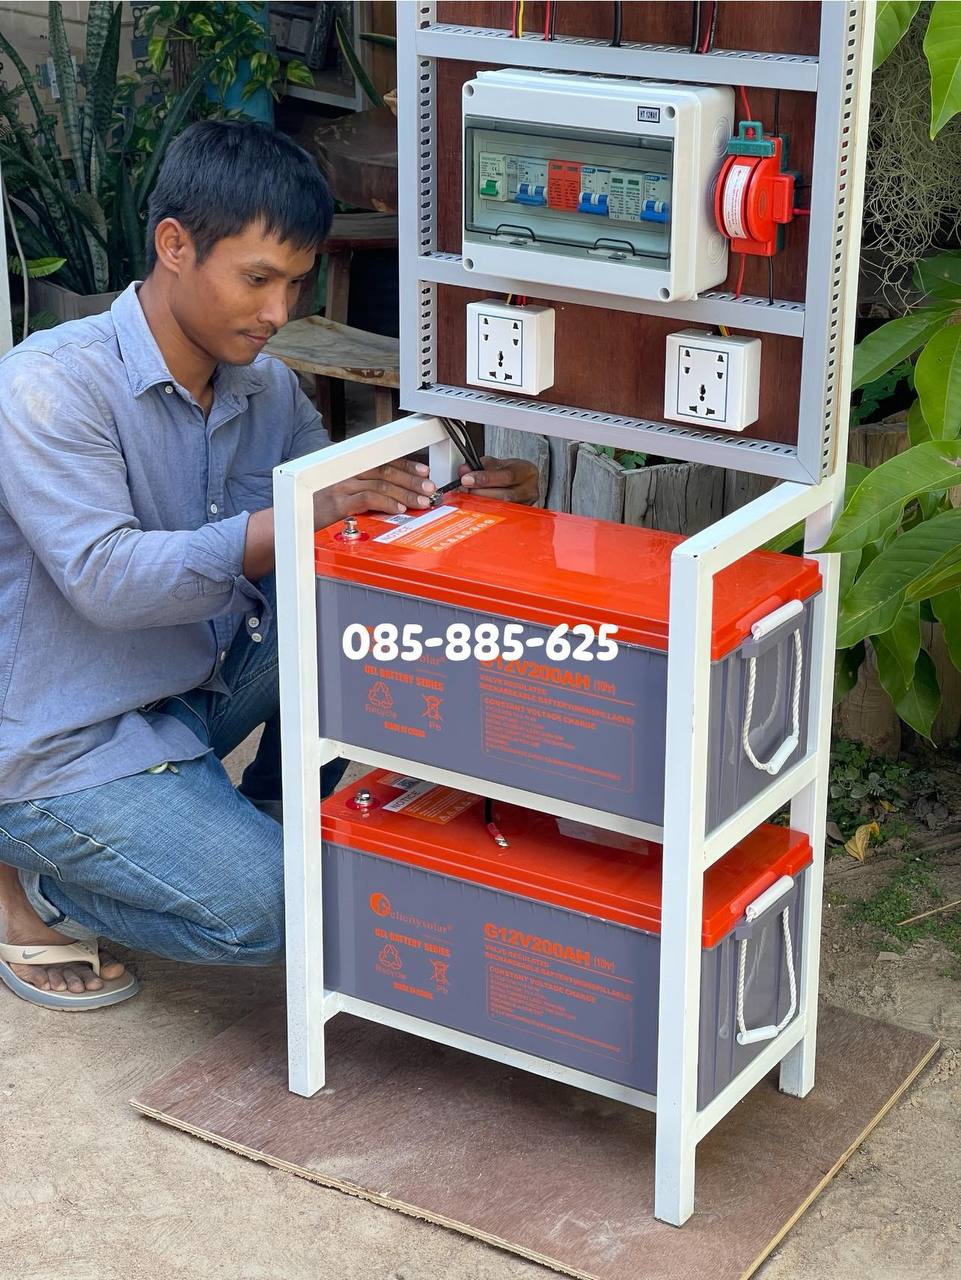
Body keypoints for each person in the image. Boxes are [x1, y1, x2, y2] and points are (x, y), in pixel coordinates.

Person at [0, 120, 538, 1009]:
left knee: (353, 605)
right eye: (257, 280)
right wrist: (302, 511)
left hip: (189, 696)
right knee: (283, 912)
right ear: (174, 246)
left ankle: (266, 813)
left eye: (296, 282)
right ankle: (37, 883)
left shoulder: (266, 386)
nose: (279, 312)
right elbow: (107, 579)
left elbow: (347, 533)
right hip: (61, 744)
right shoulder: (49, 384)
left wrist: (456, 497)